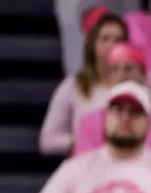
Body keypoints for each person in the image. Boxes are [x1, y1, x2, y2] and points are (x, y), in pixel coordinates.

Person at [72, 42, 151, 160]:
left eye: (128, 69)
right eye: (115, 70)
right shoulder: (90, 122)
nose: (121, 75)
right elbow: (83, 168)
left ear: (143, 75)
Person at [40, 9, 127, 156]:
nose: (112, 45)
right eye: (105, 39)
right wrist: (80, 140)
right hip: (85, 168)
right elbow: (47, 140)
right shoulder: (74, 85)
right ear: (93, 45)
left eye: (118, 40)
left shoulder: (135, 87)